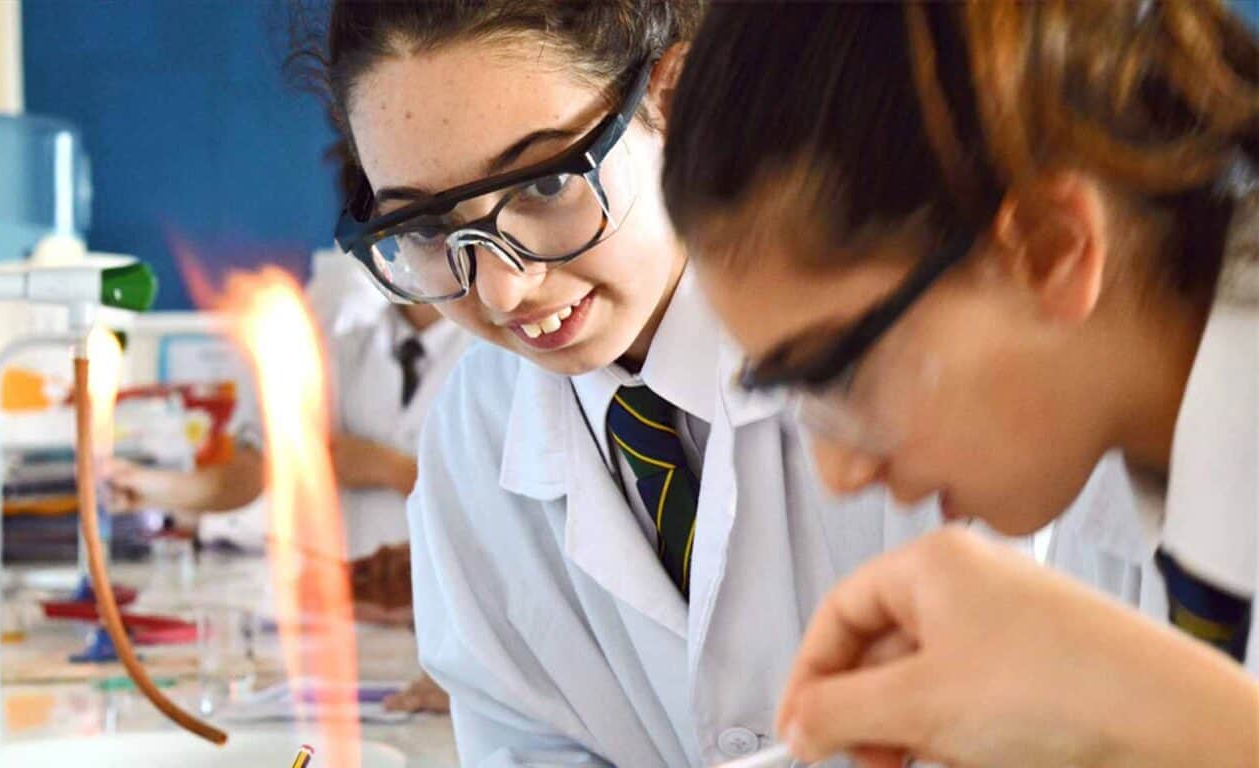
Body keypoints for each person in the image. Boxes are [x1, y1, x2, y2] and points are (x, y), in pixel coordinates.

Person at [307, 2, 998, 764]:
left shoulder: (895, 343)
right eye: (430, 230)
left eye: (543, 188)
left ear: (678, 98)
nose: (504, 289)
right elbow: (526, 743)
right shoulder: (475, 434)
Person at [660, 2, 1259, 765]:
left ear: (1050, 248)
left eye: (836, 373)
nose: (839, 475)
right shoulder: (1141, 481)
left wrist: (1142, 707)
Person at [109, 299, 471, 559]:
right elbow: (255, 469)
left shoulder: (497, 353)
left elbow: (510, 503)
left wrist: (391, 469)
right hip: (348, 605)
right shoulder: (338, 340)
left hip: (462, 610)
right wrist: (155, 486)